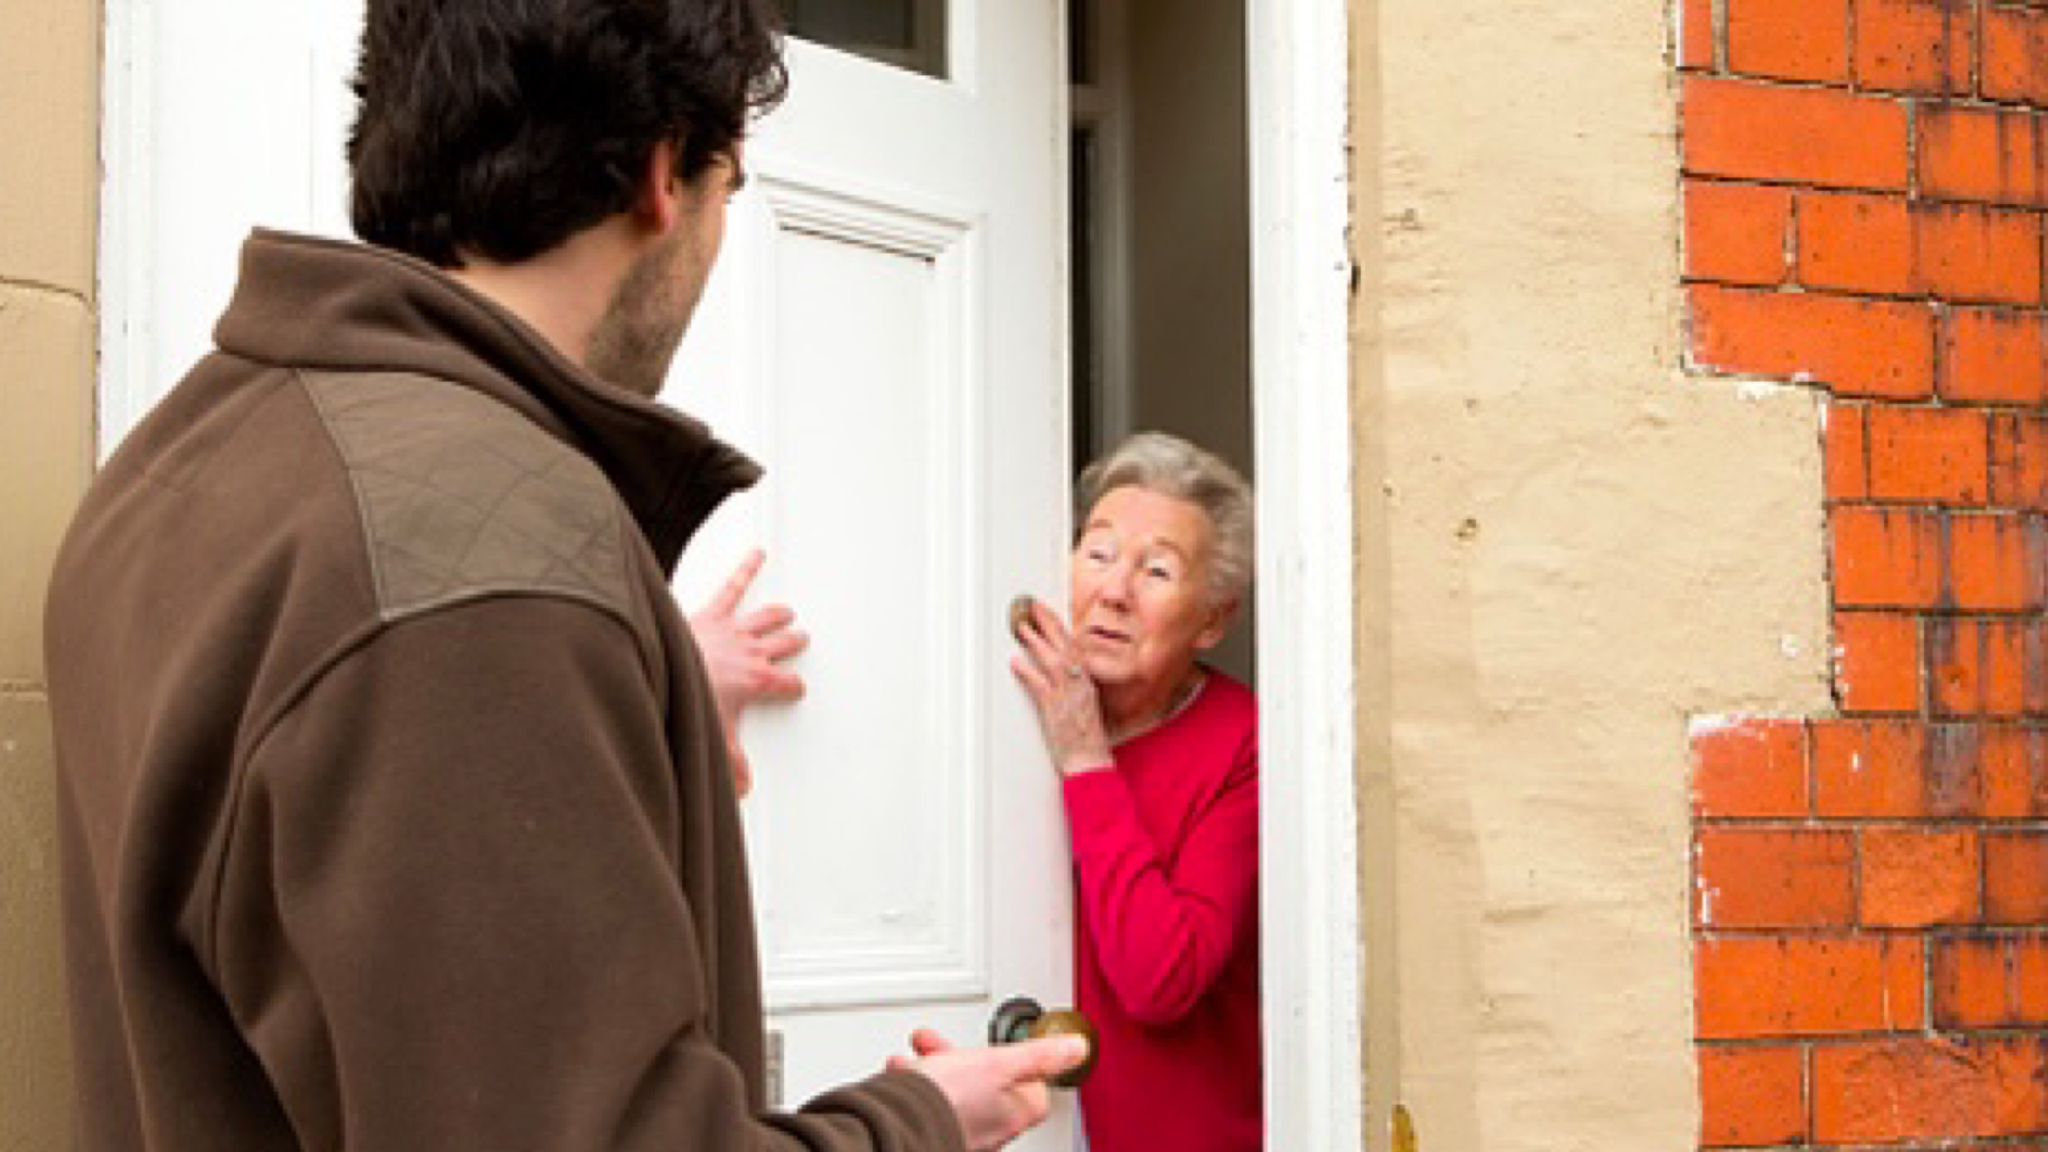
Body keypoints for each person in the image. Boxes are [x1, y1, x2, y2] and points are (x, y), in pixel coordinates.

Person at [42, 2, 1084, 1150]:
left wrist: (634, 695)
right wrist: (914, 1120)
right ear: (658, 177)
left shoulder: (187, 460)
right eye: (726, 189)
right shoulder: (485, 565)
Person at [1010, 432, 1262, 1152]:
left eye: (1156, 570)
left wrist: (1088, 761)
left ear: (1214, 619)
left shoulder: (1244, 744)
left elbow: (1163, 978)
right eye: (1098, 553)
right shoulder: (1005, 708)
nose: (1113, 591)